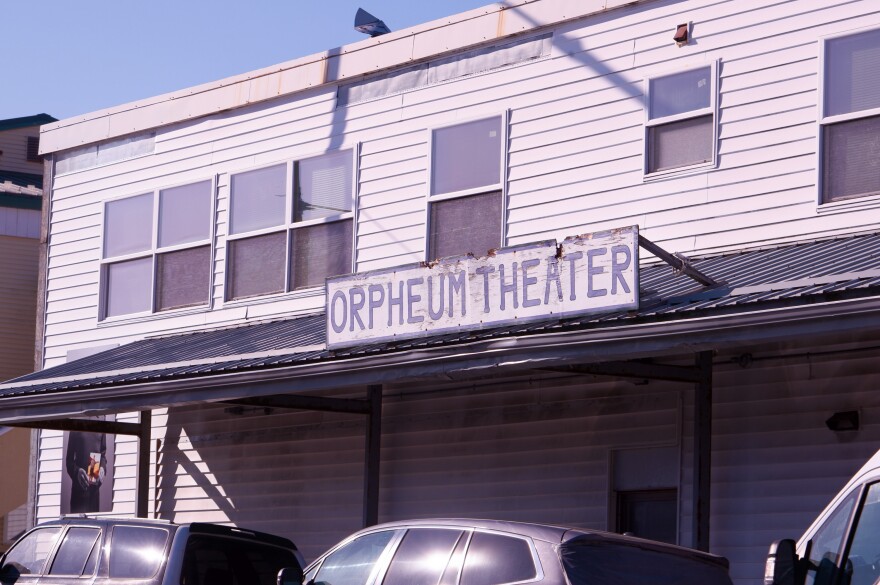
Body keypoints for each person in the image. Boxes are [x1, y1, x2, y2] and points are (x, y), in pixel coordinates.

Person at [65, 431, 107, 513]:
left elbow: (102, 456)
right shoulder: (76, 422)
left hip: (94, 493)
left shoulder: (101, 420)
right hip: (78, 493)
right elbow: (69, 461)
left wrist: (102, 468)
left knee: (93, 525)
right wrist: (77, 472)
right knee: (77, 524)